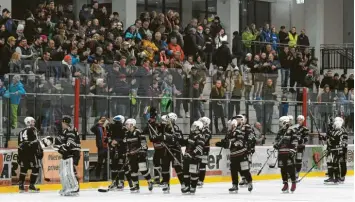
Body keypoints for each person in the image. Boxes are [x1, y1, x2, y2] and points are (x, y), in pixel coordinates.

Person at [216, 116, 253, 193]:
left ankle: (249, 182)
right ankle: (235, 185)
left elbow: (239, 143)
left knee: (244, 170)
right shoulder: (228, 133)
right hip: (233, 155)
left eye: (230, 125)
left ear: (234, 125)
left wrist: (230, 144)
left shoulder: (238, 132)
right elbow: (227, 144)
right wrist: (222, 144)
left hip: (241, 154)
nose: (228, 127)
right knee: (233, 171)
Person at [124, 118, 154, 192]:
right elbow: (127, 145)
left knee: (143, 169)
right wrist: (127, 152)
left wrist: (142, 152)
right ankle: (136, 185)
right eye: (126, 124)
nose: (127, 126)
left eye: (128, 124)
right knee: (133, 171)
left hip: (140, 154)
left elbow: (144, 143)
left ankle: (150, 181)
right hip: (132, 155)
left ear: (132, 125)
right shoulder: (127, 133)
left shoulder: (138, 132)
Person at [54, 117, 81, 196]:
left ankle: (74, 188)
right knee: (63, 172)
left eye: (62, 122)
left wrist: (63, 148)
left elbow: (70, 143)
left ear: (64, 122)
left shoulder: (70, 130)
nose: (61, 124)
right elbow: (62, 143)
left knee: (70, 171)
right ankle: (67, 187)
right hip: (68, 152)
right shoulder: (65, 131)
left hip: (72, 152)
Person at [160, 113, 184, 193]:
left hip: (175, 150)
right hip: (166, 150)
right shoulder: (164, 128)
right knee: (165, 168)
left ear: (172, 120)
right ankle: (166, 184)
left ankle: (183, 183)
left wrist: (170, 137)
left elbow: (179, 140)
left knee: (178, 168)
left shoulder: (176, 128)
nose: (166, 120)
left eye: (168, 119)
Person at [107, 115, 132, 190]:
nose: (116, 123)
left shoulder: (124, 129)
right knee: (113, 166)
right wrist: (111, 142)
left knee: (122, 166)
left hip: (122, 150)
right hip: (113, 150)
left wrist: (117, 141)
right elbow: (107, 138)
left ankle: (122, 182)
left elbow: (126, 139)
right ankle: (114, 182)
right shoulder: (110, 128)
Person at [273, 116, 298, 193]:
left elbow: (295, 140)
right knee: (282, 169)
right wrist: (276, 145)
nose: (280, 124)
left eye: (281, 122)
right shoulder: (280, 131)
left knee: (290, 168)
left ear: (285, 122)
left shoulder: (292, 130)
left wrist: (293, 150)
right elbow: (276, 140)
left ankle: (293, 182)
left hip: (289, 152)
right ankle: (285, 183)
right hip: (281, 152)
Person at [18, 117, 42, 193]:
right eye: (32, 122)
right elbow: (35, 142)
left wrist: (19, 155)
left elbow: (19, 144)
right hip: (31, 152)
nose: (33, 123)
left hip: (23, 152)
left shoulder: (21, 132)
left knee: (24, 168)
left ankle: (21, 185)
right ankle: (31, 186)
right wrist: (39, 151)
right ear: (28, 122)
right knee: (36, 168)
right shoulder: (33, 130)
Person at [181, 120, 205, 194]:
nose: (193, 127)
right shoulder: (191, 135)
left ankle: (193, 187)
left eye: (195, 126)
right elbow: (186, 143)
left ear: (198, 128)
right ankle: (187, 186)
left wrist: (191, 154)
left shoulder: (200, 136)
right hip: (187, 157)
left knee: (193, 172)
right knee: (185, 172)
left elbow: (199, 147)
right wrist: (178, 140)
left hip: (195, 158)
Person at [322, 117, 348, 184]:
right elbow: (328, 137)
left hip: (339, 150)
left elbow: (342, 141)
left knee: (340, 163)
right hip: (331, 149)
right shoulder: (332, 130)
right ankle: (332, 177)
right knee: (330, 162)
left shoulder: (342, 130)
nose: (333, 123)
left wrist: (343, 149)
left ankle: (340, 177)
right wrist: (323, 137)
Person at [145, 108, 164, 185]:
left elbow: (161, 133)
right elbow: (145, 133)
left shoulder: (158, 125)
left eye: (152, 118)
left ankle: (163, 178)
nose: (151, 119)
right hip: (154, 147)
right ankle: (157, 178)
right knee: (155, 162)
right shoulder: (149, 126)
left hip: (162, 147)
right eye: (150, 118)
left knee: (162, 163)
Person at [91, 116, 110, 181]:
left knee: (107, 163)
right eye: (102, 120)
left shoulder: (107, 127)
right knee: (100, 162)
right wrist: (97, 123)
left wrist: (108, 124)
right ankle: (97, 176)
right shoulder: (97, 128)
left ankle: (105, 176)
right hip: (101, 147)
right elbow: (92, 129)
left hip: (107, 147)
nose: (103, 121)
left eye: (104, 120)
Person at [293, 115, 309, 180]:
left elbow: (306, 139)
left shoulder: (305, 129)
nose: (299, 121)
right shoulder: (293, 128)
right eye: (298, 119)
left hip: (300, 147)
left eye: (300, 120)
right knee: (291, 160)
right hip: (293, 147)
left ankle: (297, 172)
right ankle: (291, 173)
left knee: (298, 160)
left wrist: (300, 140)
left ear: (303, 121)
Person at [197, 117, 211, 187]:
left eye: (202, 121)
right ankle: (196, 179)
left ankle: (201, 180)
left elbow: (203, 140)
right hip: (199, 149)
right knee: (196, 164)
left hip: (205, 150)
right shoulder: (199, 129)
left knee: (202, 165)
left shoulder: (207, 131)